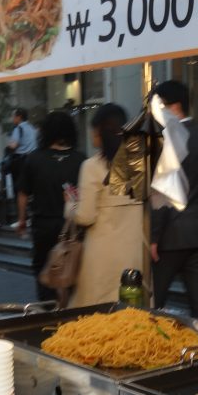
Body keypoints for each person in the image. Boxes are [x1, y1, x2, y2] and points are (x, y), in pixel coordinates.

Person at [150, 80, 198, 320]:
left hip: (171, 235)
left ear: (174, 107)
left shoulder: (167, 141)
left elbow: (163, 195)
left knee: (155, 298)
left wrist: (153, 237)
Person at [67, 103, 144, 307]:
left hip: (101, 256)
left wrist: (70, 206)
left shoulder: (91, 167)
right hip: (134, 253)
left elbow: (85, 216)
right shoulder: (141, 163)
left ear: (100, 131)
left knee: (97, 316)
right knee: (131, 314)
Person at [17, 111, 85, 301]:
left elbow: (23, 193)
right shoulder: (81, 160)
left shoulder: (34, 159)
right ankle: (70, 309)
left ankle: (48, 310)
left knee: (42, 269)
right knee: (73, 268)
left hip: (43, 225)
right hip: (73, 226)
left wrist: (22, 220)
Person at [4, 108, 38, 199]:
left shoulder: (18, 128)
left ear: (19, 117)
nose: (12, 119)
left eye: (13, 116)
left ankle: (20, 209)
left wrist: (9, 146)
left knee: (20, 188)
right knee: (31, 185)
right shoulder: (32, 128)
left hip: (20, 162)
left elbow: (14, 145)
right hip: (33, 160)